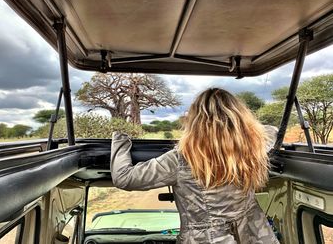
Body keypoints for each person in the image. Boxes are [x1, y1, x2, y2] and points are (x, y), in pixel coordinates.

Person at [111, 88, 279, 244]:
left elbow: (124, 177)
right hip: (254, 234)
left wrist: (119, 139)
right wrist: (242, 135)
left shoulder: (180, 159)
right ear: (239, 118)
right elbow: (272, 131)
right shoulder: (255, 148)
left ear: (194, 121)